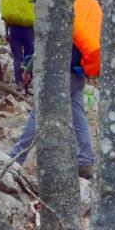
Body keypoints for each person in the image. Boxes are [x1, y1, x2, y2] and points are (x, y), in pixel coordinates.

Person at [9, 43, 95, 179]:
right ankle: (85, 161)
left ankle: (15, 157)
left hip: (61, 73)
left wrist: (29, 69)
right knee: (79, 118)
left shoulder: (64, 21)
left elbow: (44, 45)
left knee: (39, 111)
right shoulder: (82, 25)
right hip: (78, 73)